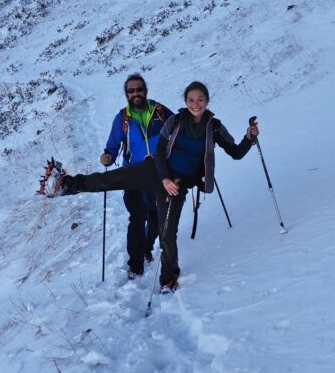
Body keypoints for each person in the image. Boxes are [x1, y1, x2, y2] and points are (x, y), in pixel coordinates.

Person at [52, 81, 258, 292]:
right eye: (191, 100)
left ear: (207, 101)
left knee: (167, 233)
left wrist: (249, 138)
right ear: (185, 101)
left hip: (177, 185)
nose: (195, 104)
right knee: (112, 179)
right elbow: (159, 151)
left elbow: (236, 152)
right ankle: (67, 184)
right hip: (155, 171)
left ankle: (168, 278)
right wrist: (165, 178)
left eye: (200, 99)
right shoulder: (175, 120)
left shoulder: (214, 127)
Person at [100, 74, 169, 278]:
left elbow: (178, 129)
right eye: (131, 91)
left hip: (159, 174)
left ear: (145, 91)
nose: (135, 93)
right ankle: (135, 264)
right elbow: (112, 146)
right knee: (137, 219)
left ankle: (147, 248)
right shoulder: (122, 119)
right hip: (133, 175)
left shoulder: (160, 112)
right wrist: (108, 157)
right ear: (126, 94)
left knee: (156, 219)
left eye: (139, 89)